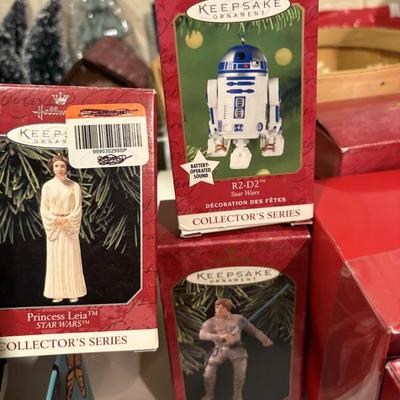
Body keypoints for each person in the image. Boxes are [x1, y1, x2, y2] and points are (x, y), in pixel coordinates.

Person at [199, 298, 273, 400]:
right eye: (217, 307)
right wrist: (219, 336)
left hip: (236, 348)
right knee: (208, 372)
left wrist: (264, 339)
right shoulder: (211, 322)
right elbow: (202, 334)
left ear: (228, 309)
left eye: (222, 307)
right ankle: (209, 395)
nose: (218, 309)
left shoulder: (238, 319)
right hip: (219, 349)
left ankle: (238, 395)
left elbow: (254, 330)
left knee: (240, 374)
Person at [40, 154, 87, 303]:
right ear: (52, 167)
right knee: (56, 260)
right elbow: (44, 208)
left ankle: (73, 292)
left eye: (62, 166)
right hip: (54, 226)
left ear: (67, 167)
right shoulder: (47, 186)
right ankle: (56, 292)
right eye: (56, 166)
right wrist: (55, 219)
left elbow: (78, 208)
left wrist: (67, 219)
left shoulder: (74, 186)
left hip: (69, 226)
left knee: (71, 259)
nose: (59, 169)